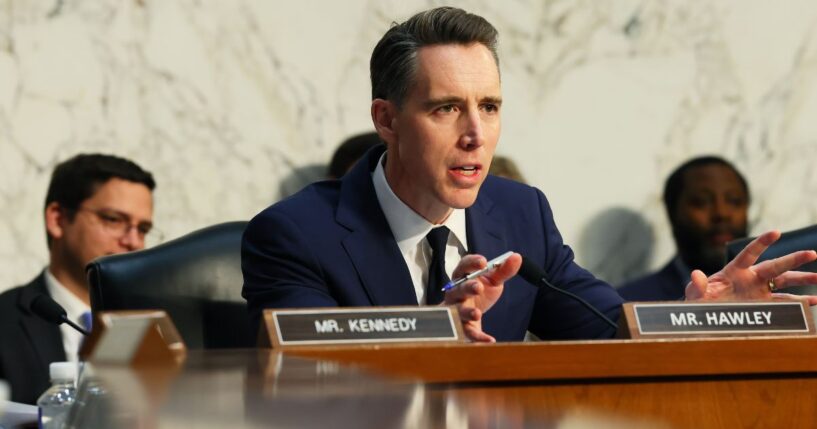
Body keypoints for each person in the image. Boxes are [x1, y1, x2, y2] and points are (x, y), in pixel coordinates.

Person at [242, 7, 817, 344]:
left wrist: (701, 318)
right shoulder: (295, 235)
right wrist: (434, 334)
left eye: (489, 107)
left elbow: (609, 329)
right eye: (446, 108)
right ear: (386, 119)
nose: (476, 135)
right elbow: (308, 386)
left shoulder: (520, 213)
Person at [0, 154, 156, 404]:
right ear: (58, 219)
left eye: (143, 229)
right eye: (114, 220)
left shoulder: (157, 326)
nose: (134, 241)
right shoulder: (4, 320)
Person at [619, 157, 750, 301]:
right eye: (701, 202)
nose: (721, 213)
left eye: (734, 200)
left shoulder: (776, 291)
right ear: (672, 213)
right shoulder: (629, 302)